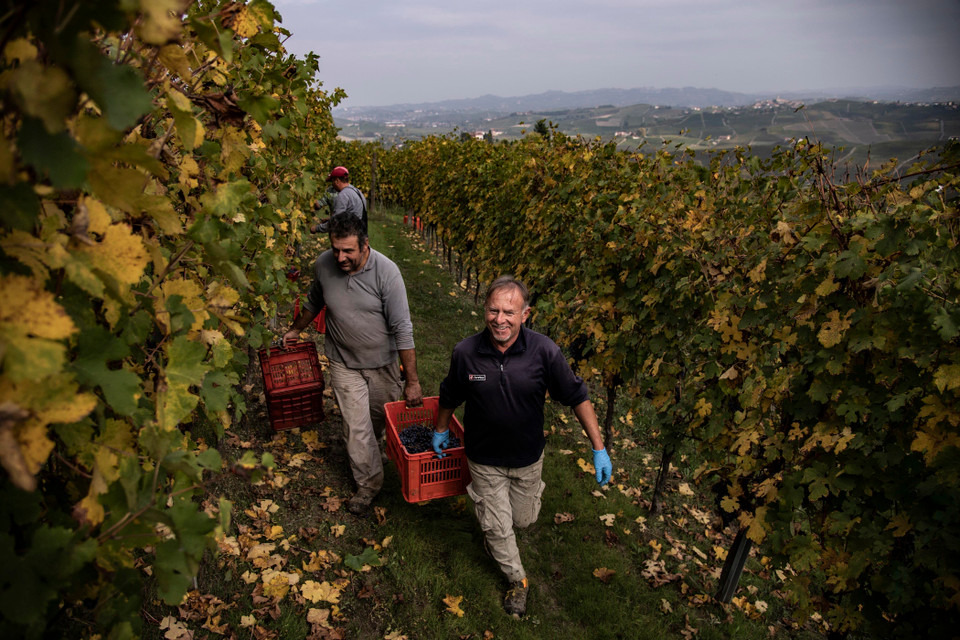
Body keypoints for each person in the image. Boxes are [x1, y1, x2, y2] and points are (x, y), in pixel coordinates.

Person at [432, 276, 613, 618]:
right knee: (498, 527)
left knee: (523, 520)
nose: (499, 319)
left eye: (508, 312)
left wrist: (598, 448)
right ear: (484, 310)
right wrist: (441, 429)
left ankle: (500, 531)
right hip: (483, 458)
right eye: (493, 310)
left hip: (528, 458)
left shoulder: (544, 352)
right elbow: (450, 395)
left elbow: (576, 396)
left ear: (525, 314)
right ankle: (517, 581)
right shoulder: (466, 353)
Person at [283, 213, 422, 514]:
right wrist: (296, 329)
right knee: (355, 427)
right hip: (343, 361)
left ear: (365, 245)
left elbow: (402, 328)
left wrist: (411, 381)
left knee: (376, 419)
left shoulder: (387, 273)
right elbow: (314, 302)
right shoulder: (323, 265)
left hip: (382, 364)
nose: (340, 257)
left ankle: (375, 450)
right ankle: (368, 485)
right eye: (336, 249)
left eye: (348, 251)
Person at [310, 166, 367, 233]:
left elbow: (336, 223)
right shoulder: (357, 192)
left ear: (337, 181)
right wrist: (330, 219)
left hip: (347, 237)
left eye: (332, 181)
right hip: (359, 235)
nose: (332, 185)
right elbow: (352, 216)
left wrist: (316, 228)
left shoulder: (343, 195)